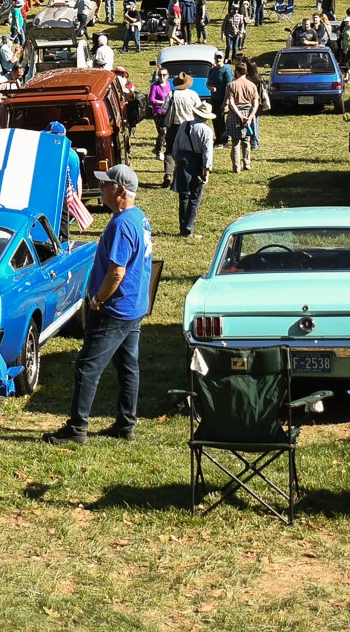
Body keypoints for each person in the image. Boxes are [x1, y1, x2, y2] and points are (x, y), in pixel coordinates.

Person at [47, 164, 153, 445]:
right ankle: (125, 424)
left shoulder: (122, 225)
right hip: (133, 306)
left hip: (114, 309)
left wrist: (98, 300)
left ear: (120, 190)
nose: (101, 188)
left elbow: (116, 272)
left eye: (106, 185)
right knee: (128, 365)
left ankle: (77, 428)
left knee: (87, 366)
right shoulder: (139, 218)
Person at [165, 86, 214, 238]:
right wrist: (206, 170)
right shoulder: (206, 130)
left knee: (184, 196)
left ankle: (182, 227)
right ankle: (188, 229)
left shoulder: (184, 125)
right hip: (197, 163)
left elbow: (175, 145)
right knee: (195, 197)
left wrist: (176, 160)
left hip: (183, 161)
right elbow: (207, 152)